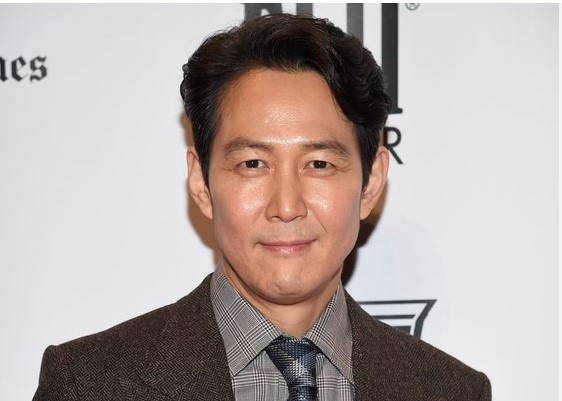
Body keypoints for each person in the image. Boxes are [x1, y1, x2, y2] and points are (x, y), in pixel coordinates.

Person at [33, 13, 491, 401]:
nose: (286, 206)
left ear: (371, 182)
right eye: (253, 163)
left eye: (319, 164)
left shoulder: (451, 390)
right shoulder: (89, 384)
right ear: (201, 182)